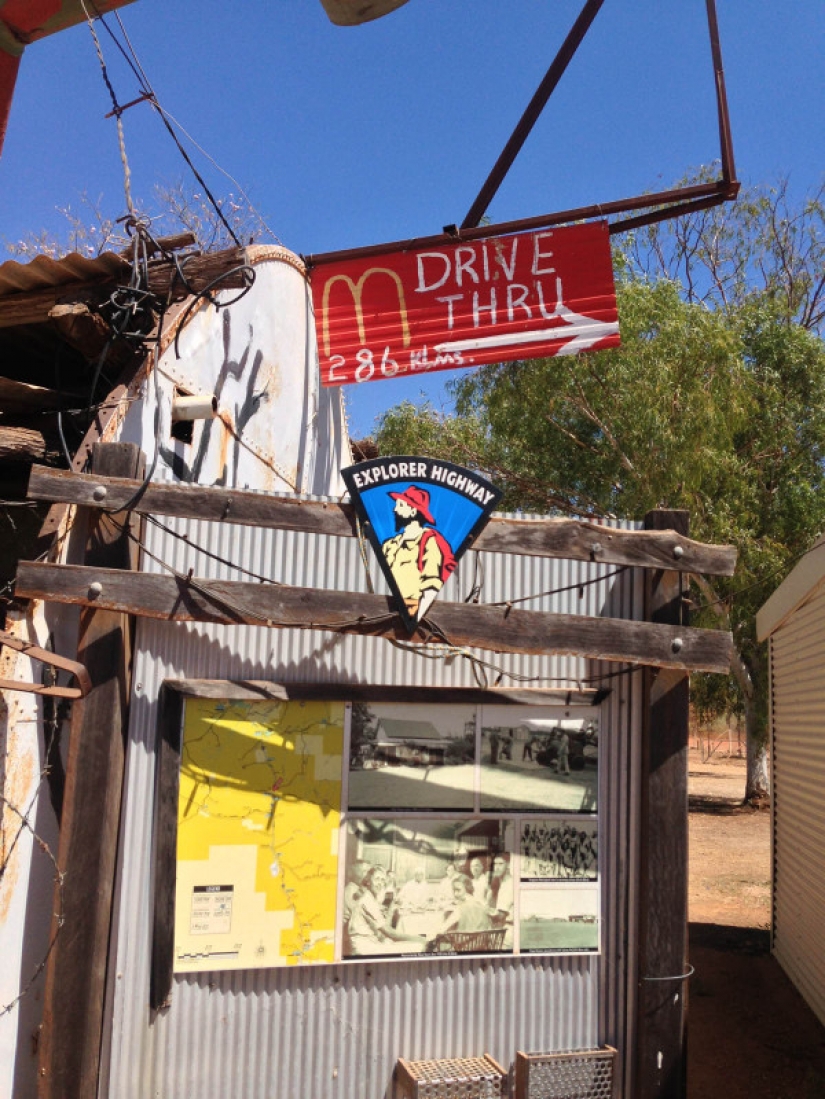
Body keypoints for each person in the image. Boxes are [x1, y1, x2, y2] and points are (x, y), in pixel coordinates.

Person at [381, 486, 455, 622]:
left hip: (411, 610)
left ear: (413, 511)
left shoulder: (428, 541)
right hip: (384, 611)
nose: (395, 509)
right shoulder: (390, 544)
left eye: (400, 505)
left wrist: (414, 621)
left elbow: (431, 585)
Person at [346, 865, 427, 956]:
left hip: (371, 942)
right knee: (418, 946)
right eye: (377, 879)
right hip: (365, 947)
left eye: (382, 880)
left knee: (409, 944)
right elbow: (391, 934)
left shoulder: (371, 897)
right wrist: (421, 939)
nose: (380, 883)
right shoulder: (367, 900)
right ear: (369, 881)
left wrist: (391, 909)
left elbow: (385, 930)